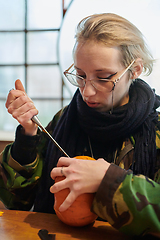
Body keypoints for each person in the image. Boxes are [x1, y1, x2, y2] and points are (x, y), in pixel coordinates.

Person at [1, 13, 160, 237]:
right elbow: (16, 200)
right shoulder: (64, 121)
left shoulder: (155, 132)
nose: (87, 91)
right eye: (80, 75)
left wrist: (108, 181)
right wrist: (28, 133)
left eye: (104, 78)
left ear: (135, 69)